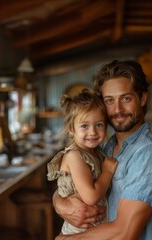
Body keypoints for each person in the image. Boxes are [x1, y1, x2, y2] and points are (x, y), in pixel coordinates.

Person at [53, 60, 152, 240]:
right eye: (110, 100)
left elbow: (125, 232)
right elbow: (75, 184)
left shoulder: (149, 154)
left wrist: (66, 239)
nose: (118, 109)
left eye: (126, 98)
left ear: (142, 99)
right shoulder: (105, 147)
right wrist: (60, 202)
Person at [47, 89, 118, 235]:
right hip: (79, 231)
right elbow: (90, 197)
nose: (92, 132)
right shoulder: (75, 156)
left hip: (94, 226)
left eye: (99, 125)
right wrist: (108, 172)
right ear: (71, 129)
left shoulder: (95, 152)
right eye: (84, 126)